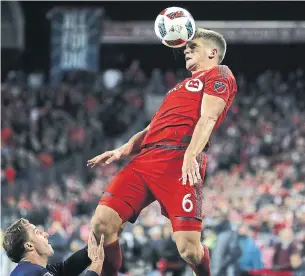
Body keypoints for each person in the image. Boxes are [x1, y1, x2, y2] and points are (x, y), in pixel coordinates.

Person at [88, 28, 237, 276]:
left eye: (194, 47)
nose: (186, 50)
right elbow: (151, 127)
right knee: (102, 223)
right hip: (145, 160)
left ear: (212, 52)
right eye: (186, 48)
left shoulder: (220, 73)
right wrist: (124, 149)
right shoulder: (178, 88)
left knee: (189, 250)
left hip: (179, 160)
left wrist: (191, 154)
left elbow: (208, 117)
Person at [2, 218, 104, 276]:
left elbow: (65, 269)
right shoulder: (34, 273)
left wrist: (90, 248)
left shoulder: (27, 270)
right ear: (29, 245)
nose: (46, 234)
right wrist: (96, 267)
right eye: (38, 233)